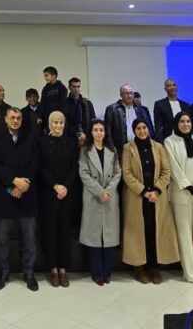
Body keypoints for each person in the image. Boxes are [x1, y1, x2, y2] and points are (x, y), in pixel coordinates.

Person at [121, 117, 179, 284]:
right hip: (137, 197)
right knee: (138, 231)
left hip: (156, 197)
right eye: (138, 128)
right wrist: (144, 191)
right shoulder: (128, 148)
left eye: (144, 127)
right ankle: (139, 267)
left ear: (148, 129)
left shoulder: (158, 147)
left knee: (155, 231)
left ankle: (154, 267)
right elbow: (127, 173)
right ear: (134, 131)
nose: (142, 131)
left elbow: (166, 171)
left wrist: (156, 190)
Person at [0, 107, 39, 291]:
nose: (15, 120)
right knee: (3, 239)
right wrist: (13, 182)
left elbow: (35, 164)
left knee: (29, 239)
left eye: (18, 118)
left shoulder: (31, 138)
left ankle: (29, 272)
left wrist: (22, 185)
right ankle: (3, 273)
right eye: (12, 117)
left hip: (26, 195)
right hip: (5, 195)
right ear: (6, 119)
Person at [163, 112, 193, 284]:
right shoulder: (170, 142)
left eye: (188, 121)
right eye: (182, 121)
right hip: (182, 193)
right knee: (184, 234)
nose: (186, 124)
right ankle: (191, 272)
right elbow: (173, 167)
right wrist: (190, 187)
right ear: (176, 124)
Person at [38, 111, 79, 287]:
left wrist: (65, 187)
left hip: (67, 194)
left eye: (61, 122)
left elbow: (74, 168)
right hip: (49, 193)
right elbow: (41, 168)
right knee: (50, 232)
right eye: (55, 123)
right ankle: (53, 269)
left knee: (65, 232)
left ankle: (63, 269)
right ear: (49, 124)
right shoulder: (42, 142)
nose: (58, 126)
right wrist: (55, 186)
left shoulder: (71, 142)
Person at [79, 120, 121, 286]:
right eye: (95, 130)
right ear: (91, 132)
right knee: (94, 238)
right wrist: (99, 192)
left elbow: (117, 173)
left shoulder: (112, 150)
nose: (98, 133)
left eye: (101, 130)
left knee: (109, 237)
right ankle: (97, 273)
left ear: (105, 132)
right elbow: (84, 173)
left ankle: (107, 272)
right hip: (93, 196)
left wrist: (108, 191)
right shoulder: (85, 151)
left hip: (109, 197)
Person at [104, 84, 155, 151]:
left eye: (131, 93)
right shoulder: (112, 109)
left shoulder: (141, 109)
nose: (130, 96)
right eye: (126, 93)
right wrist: (111, 148)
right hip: (121, 148)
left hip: (140, 147)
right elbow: (108, 131)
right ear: (121, 95)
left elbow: (149, 128)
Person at [65, 77, 96, 146]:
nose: (76, 89)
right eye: (74, 86)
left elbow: (93, 121)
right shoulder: (65, 103)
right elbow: (64, 122)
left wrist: (86, 135)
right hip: (70, 138)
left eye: (78, 86)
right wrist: (77, 134)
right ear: (69, 87)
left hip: (86, 137)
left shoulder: (87, 103)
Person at [40, 66, 68, 132]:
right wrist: (41, 116)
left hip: (59, 119)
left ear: (54, 76)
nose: (45, 78)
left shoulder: (61, 87)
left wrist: (60, 117)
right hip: (48, 119)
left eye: (47, 76)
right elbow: (43, 103)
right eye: (44, 76)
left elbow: (63, 104)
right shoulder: (45, 89)